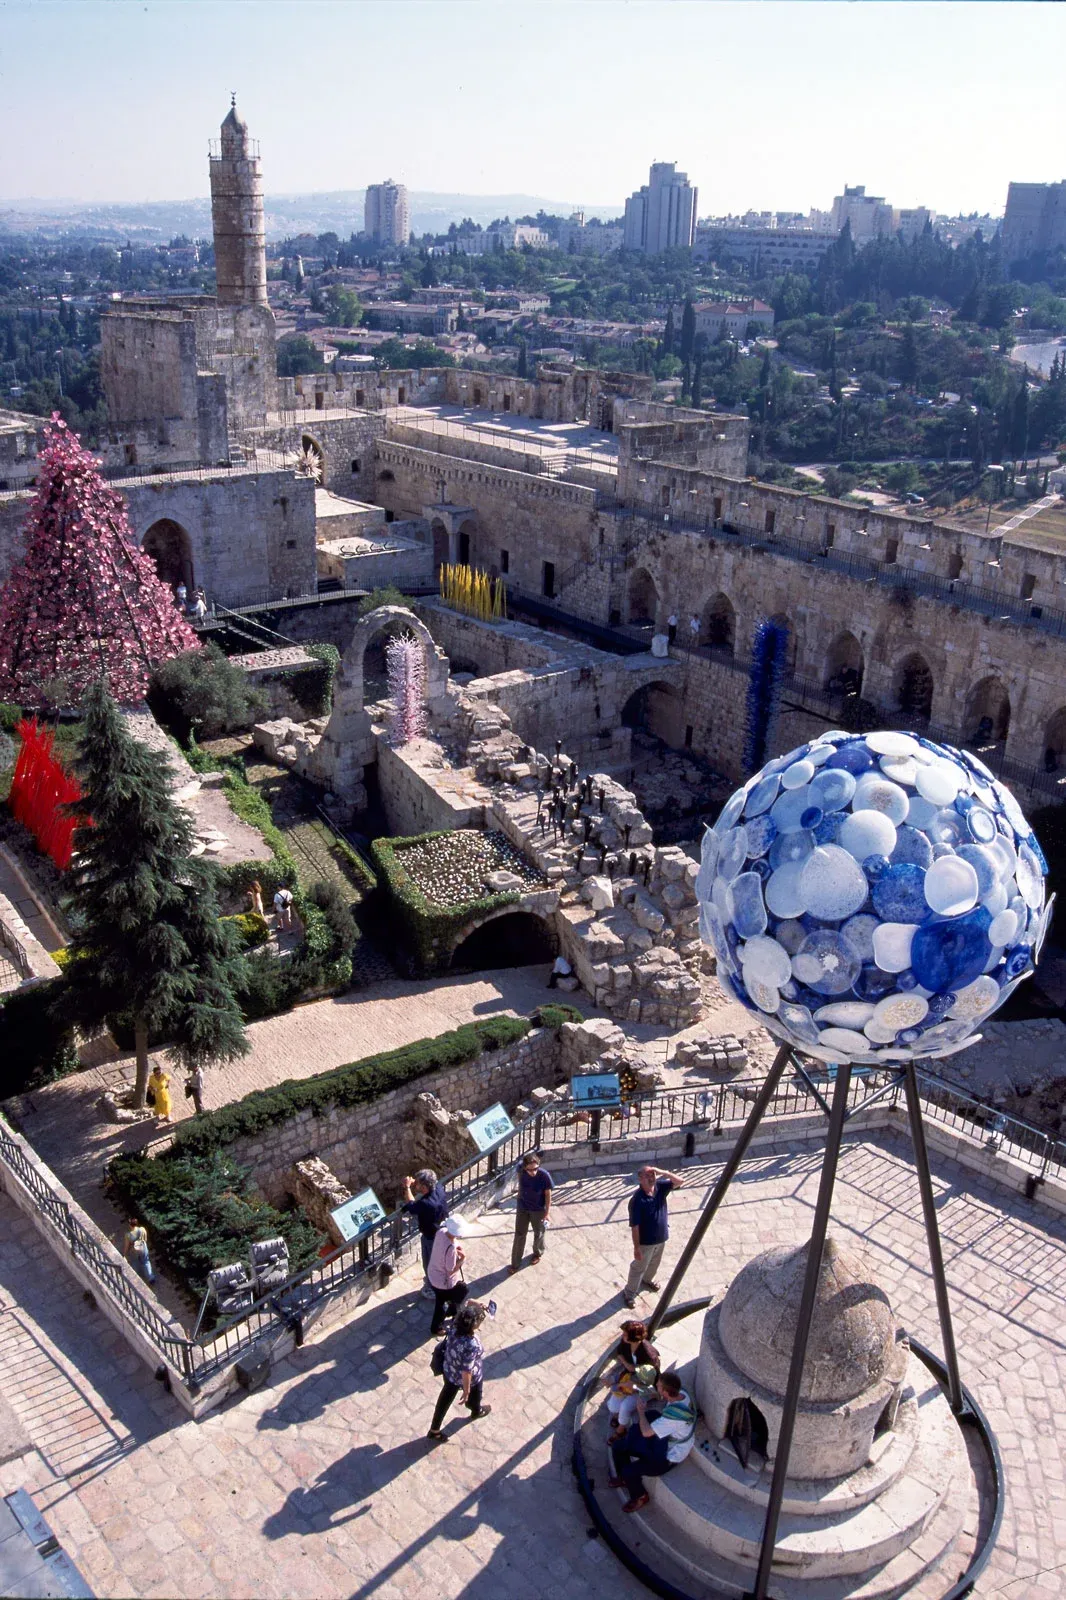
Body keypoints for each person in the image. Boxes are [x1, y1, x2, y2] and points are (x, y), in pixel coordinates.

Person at [608, 1371, 696, 1513]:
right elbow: (654, 1393)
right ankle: (623, 1478)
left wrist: (641, 1411)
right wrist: (635, 1387)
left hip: (669, 1455)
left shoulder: (672, 1418)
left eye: (659, 1386)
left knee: (629, 1470)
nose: (656, 1386)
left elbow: (646, 1432)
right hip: (666, 1437)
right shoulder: (682, 1393)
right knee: (618, 1446)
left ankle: (640, 1496)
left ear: (666, 1392)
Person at [427, 1299, 492, 1442]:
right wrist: (466, 1390)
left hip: (449, 1370)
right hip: (468, 1378)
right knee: (475, 1395)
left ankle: (434, 1429)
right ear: (474, 1325)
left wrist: (478, 1306)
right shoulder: (471, 1344)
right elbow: (466, 1371)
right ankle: (476, 1410)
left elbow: (467, 1302)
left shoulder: (456, 1324)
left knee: (445, 1398)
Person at [624, 1164, 683, 1308]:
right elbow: (635, 1226)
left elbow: (680, 1181)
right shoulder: (637, 1200)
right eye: (647, 1176)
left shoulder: (660, 1188)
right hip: (646, 1242)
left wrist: (664, 1172)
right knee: (638, 1267)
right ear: (640, 1179)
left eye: (653, 1175)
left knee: (654, 1263)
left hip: (661, 1238)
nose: (651, 1178)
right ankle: (629, 1293)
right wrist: (636, 1248)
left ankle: (647, 1280)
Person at [604, 1319, 661, 1440]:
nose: (622, 1336)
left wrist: (633, 1385)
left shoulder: (649, 1356)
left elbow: (650, 1380)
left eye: (625, 1334)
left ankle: (621, 1429)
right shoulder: (626, 1342)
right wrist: (628, 1366)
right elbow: (620, 1353)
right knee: (613, 1405)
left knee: (625, 1407)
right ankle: (617, 1416)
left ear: (634, 1338)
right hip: (629, 1379)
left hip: (644, 1385)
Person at [402, 1169, 449, 1299]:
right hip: (444, 1231)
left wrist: (407, 1187)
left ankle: (432, 1288)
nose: (416, 1185)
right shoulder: (439, 1188)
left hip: (431, 1237)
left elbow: (411, 1205)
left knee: (429, 1264)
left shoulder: (426, 1204)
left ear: (424, 1187)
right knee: (440, 1261)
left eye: (418, 1184)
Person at [427, 1214, 470, 1336]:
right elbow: (451, 1270)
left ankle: (452, 1310)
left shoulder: (441, 1232)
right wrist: (462, 1259)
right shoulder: (450, 1249)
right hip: (442, 1282)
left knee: (443, 1300)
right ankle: (437, 1326)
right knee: (457, 1294)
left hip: (433, 1273)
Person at [510, 1151, 552, 1273]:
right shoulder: (521, 1170)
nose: (533, 1172)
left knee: (539, 1232)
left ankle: (538, 1253)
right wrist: (520, 1194)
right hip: (523, 1206)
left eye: (535, 1169)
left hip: (538, 1209)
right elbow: (519, 1171)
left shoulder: (544, 1176)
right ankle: (515, 1263)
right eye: (530, 1170)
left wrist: (547, 1213)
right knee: (519, 1234)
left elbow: (548, 1195)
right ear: (525, 1168)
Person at [123, 1218, 155, 1284]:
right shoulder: (142, 1229)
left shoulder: (128, 1235)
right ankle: (150, 1278)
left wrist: (125, 1254)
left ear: (130, 1225)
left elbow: (127, 1246)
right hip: (143, 1247)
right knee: (146, 1261)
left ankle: (135, 1277)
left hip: (135, 1250)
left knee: (135, 1262)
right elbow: (145, 1238)